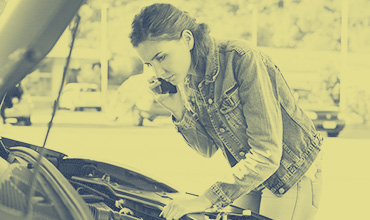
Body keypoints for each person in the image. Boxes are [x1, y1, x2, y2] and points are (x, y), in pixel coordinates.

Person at [129, 3, 323, 220]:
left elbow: (267, 154)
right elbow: (207, 148)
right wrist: (178, 110)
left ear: (187, 39)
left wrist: (204, 199)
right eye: (149, 64)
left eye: (161, 57)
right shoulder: (188, 79)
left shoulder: (242, 59)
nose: (158, 72)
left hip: (289, 174)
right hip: (250, 174)